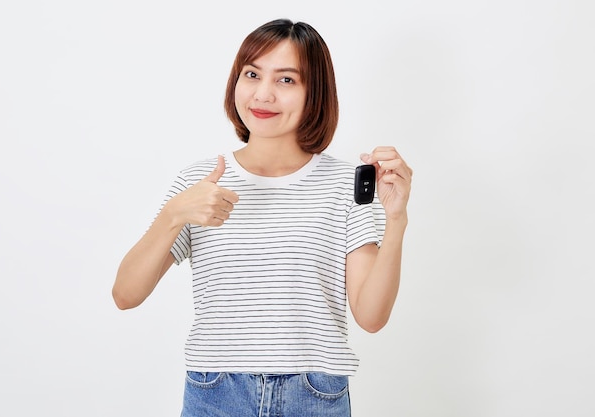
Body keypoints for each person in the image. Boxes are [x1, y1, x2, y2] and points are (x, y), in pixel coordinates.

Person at [112, 18, 412, 417]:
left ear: (314, 94)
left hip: (314, 395)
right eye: (252, 74)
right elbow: (125, 295)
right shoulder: (199, 182)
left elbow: (371, 317)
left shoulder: (344, 185)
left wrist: (396, 220)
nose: (263, 94)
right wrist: (174, 214)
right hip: (215, 392)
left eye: (286, 80)